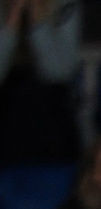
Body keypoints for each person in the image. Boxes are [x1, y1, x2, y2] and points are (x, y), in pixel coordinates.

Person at [0, 0, 81, 165]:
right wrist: (12, 19)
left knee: (43, 100)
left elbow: (59, 72)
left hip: (51, 109)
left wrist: (36, 17)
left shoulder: (65, 3)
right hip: (4, 106)